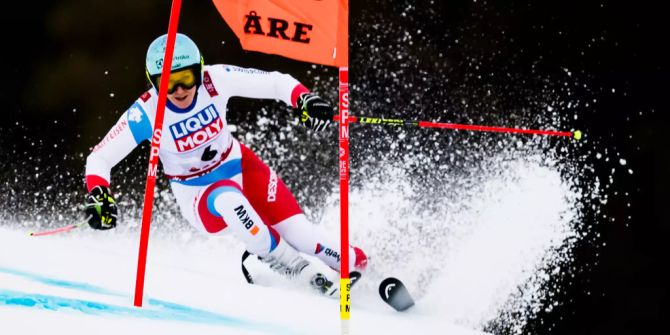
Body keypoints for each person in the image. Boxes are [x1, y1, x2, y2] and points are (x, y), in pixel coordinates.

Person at [83, 33, 367, 296]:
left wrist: (304, 99)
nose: (179, 89)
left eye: (186, 77)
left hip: (240, 165)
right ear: (152, 81)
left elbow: (276, 82)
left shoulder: (215, 80)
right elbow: (100, 157)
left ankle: (366, 270)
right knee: (229, 199)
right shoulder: (145, 112)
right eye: (167, 82)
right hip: (197, 192)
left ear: (200, 70)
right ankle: (297, 268)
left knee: (303, 235)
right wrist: (99, 194)